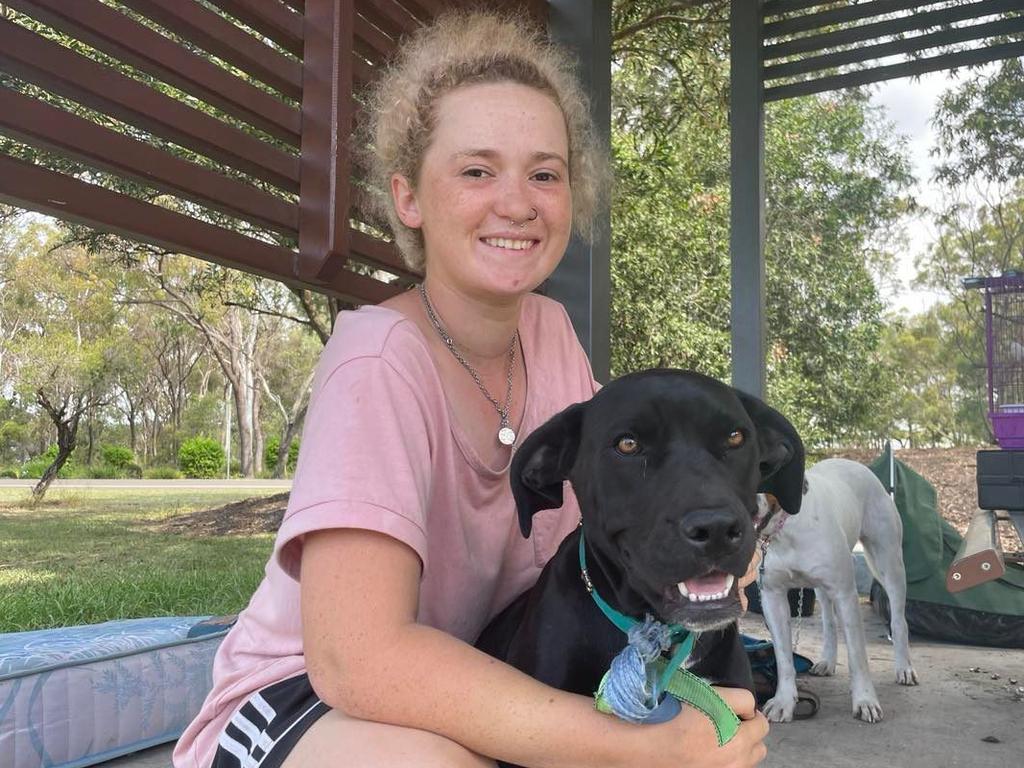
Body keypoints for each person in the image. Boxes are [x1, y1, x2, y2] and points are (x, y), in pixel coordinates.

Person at [173, 11, 768, 768]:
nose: (517, 202)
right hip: (305, 700)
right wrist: (636, 748)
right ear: (409, 198)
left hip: (472, 670)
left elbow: (618, 518)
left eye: (545, 174)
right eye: (477, 170)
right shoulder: (377, 362)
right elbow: (360, 661)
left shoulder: (549, 333)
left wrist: (720, 537)